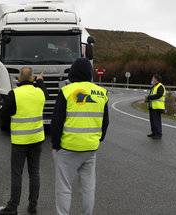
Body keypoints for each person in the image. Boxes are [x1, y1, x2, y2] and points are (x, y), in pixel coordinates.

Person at [50, 58, 109, 215]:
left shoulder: (66, 91)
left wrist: (55, 144)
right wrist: (97, 139)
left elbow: (57, 121)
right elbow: (105, 123)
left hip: (68, 148)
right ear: (89, 74)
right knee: (88, 187)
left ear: (73, 73)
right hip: (90, 149)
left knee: (64, 187)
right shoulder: (101, 92)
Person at [0, 67, 48, 215]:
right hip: (37, 139)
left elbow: (4, 115)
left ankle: (13, 207)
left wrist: (1, 110)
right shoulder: (40, 93)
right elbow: (46, 93)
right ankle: (33, 205)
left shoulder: (14, 94)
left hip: (20, 141)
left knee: (17, 174)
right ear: (33, 79)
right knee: (34, 173)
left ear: (18, 79)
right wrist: (40, 82)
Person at [145, 74, 166, 139]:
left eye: (153, 78)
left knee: (156, 121)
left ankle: (158, 134)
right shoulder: (154, 86)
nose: (152, 79)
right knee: (152, 121)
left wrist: (149, 97)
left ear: (156, 79)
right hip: (152, 106)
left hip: (157, 107)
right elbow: (152, 95)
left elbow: (159, 95)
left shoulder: (160, 86)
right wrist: (147, 99)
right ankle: (154, 132)